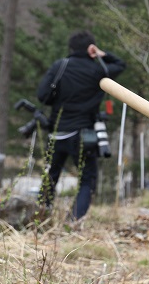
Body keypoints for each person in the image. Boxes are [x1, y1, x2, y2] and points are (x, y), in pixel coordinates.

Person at [36, 30, 126, 228]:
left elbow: (42, 95)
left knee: (51, 176)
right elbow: (120, 65)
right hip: (83, 135)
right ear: (90, 49)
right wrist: (103, 54)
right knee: (87, 179)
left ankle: (41, 216)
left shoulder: (60, 66)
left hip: (56, 132)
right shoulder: (97, 71)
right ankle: (74, 221)